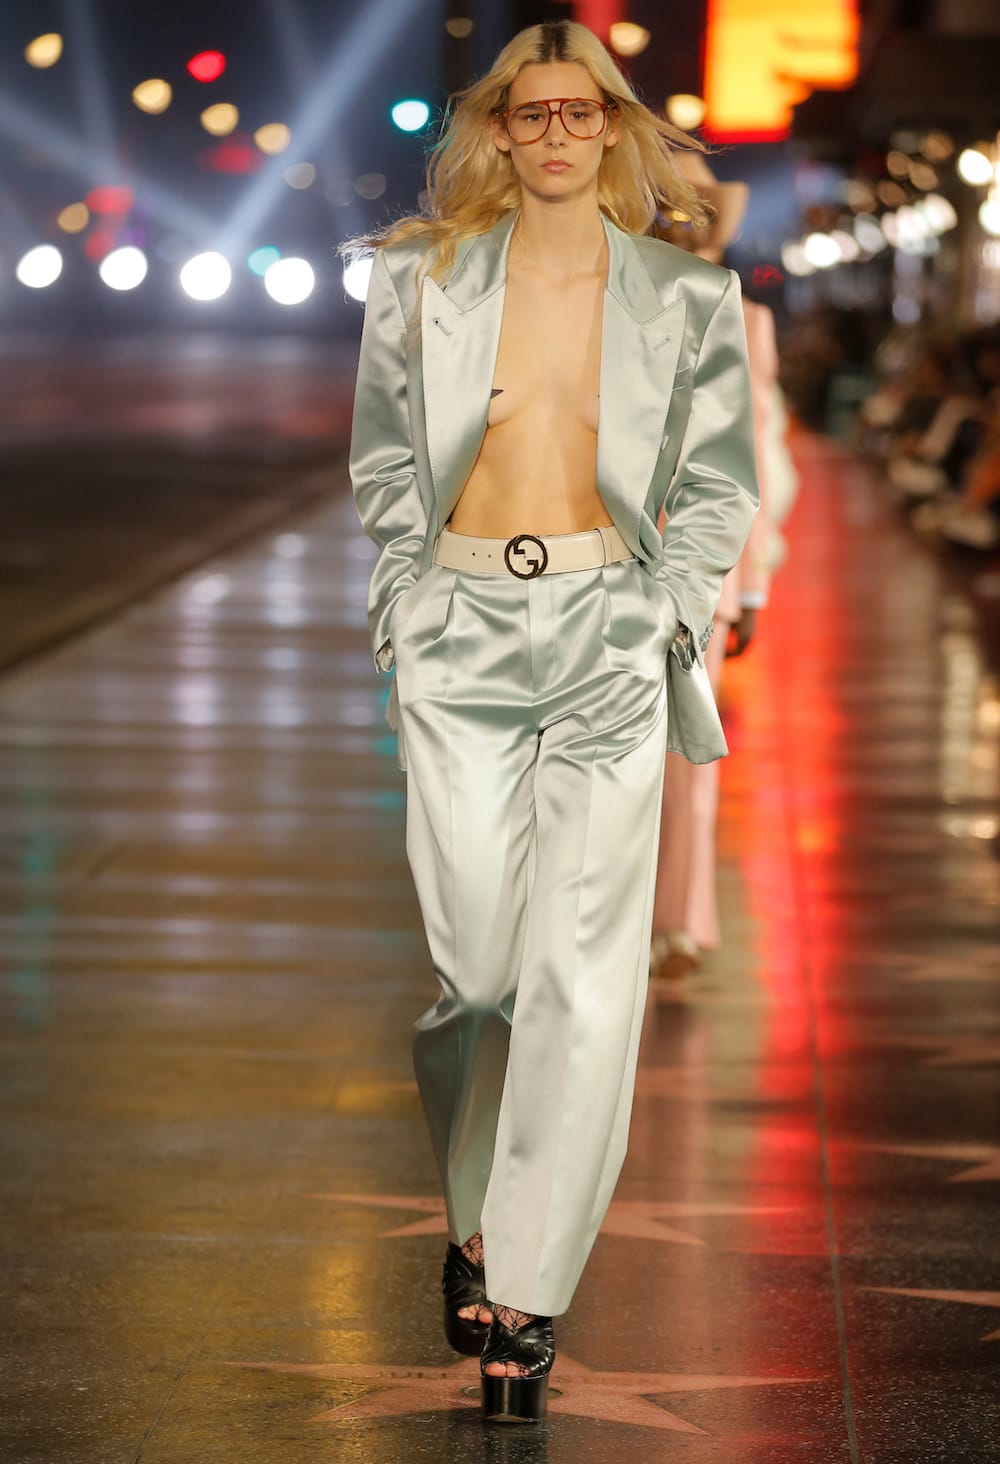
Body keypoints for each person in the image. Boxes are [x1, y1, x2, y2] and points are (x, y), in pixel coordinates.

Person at [341, 19, 759, 1424]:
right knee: (475, 970)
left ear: (616, 128)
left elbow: (717, 481)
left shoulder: (686, 296)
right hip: (459, 626)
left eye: (582, 113)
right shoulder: (422, 277)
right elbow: (384, 455)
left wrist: (669, 613)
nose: (558, 134)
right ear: (500, 131)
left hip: (606, 631)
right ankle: (473, 1211)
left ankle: (525, 1290)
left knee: (583, 978)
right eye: (533, 114)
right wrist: (406, 599)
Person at [647, 153, 778, 978]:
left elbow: (750, 455)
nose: (684, 222)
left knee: (689, 755)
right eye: (669, 208)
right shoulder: (606, 295)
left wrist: (750, 582)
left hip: (707, 570)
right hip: (602, 554)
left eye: (696, 210)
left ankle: (679, 922)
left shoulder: (745, 318)